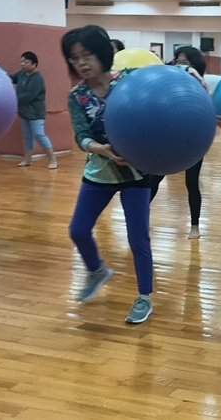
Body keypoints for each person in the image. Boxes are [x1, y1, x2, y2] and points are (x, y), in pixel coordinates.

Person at [62, 25, 154, 323]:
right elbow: (81, 136)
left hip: (135, 173)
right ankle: (97, 271)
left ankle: (144, 297)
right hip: (100, 171)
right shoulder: (77, 95)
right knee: (78, 230)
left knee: (137, 238)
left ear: (102, 53)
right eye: (74, 58)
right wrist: (100, 148)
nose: (81, 63)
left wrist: (189, 72)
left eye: (86, 54)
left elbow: (167, 81)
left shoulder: (128, 80)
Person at [149, 46, 207, 239]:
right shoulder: (170, 82)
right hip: (170, 140)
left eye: (185, 62)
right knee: (154, 178)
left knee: (192, 182)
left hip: (192, 141)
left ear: (196, 64)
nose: (180, 65)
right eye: (178, 61)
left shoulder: (201, 86)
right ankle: (139, 217)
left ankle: (195, 226)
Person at [9, 51, 57, 169]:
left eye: (26, 62)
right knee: (27, 136)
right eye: (21, 61)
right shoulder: (22, 73)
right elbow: (13, 78)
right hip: (24, 112)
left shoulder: (37, 79)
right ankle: (27, 160)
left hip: (36, 113)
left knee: (39, 134)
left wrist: (11, 100)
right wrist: (1, 73)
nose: (22, 64)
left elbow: (28, 96)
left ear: (34, 64)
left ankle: (52, 159)